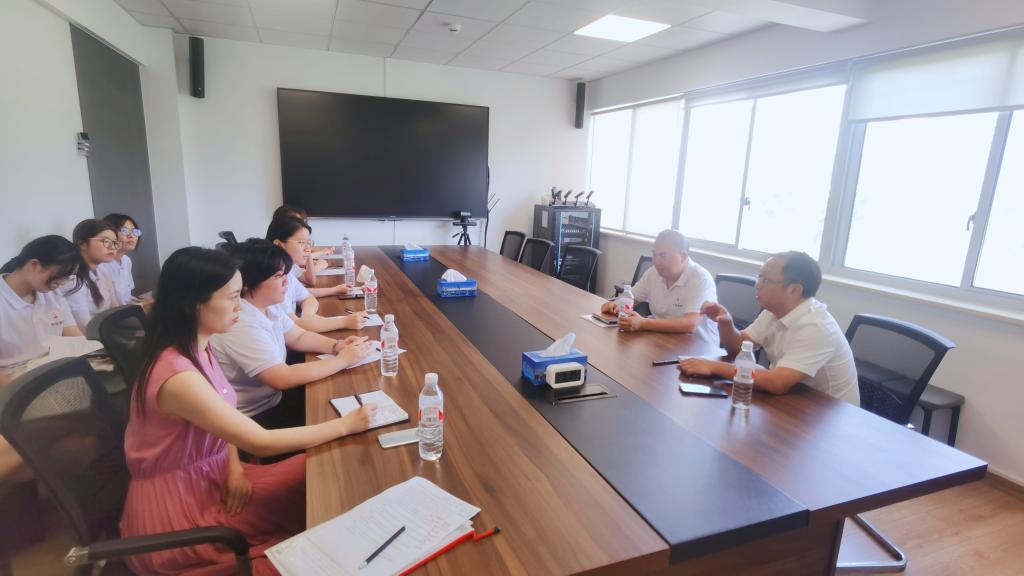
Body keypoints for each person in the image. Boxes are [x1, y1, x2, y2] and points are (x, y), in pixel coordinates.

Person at [120, 246, 377, 576]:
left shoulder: (198, 346)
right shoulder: (178, 375)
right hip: (180, 511)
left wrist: (233, 468)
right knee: (305, 555)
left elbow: (222, 419)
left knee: (319, 473)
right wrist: (345, 425)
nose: (239, 305)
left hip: (215, 476)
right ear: (194, 304)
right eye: (231, 297)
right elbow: (259, 442)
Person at [211, 239, 375, 429]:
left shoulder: (267, 305)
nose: (286, 281)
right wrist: (342, 361)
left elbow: (298, 336)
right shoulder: (240, 323)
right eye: (278, 276)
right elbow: (282, 378)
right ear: (248, 284)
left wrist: (337, 346)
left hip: (274, 398)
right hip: (256, 417)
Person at [679, 251, 859, 405]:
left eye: (765, 279)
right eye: (759, 277)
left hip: (828, 415)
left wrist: (713, 367)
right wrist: (726, 323)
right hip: (795, 400)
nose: (757, 284)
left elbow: (777, 382)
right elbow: (740, 348)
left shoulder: (816, 327)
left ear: (794, 290)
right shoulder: (773, 311)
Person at [600, 230, 719, 343]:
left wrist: (643, 323)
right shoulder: (653, 273)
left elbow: (690, 324)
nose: (657, 262)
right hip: (662, 340)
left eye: (663, 256)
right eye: (654, 255)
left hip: (698, 349)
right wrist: (615, 305)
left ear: (682, 256)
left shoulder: (700, 279)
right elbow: (631, 298)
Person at [266, 217, 367, 333]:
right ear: (279, 244)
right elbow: (296, 326)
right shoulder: (270, 280)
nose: (308, 249)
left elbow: (308, 298)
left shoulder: (286, 271)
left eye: (308, 243)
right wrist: (344, 321)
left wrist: (307, 316)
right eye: (301, 243)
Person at [0, 235, 83, 375]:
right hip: (17, 378)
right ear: (33, 265)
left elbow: (71, 332)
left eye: (68, 277)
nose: (62, 283)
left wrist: (93, 353)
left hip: (54, 367)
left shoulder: (51, 292)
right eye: (61, 275)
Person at [61, 219, 121, 330]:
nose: (112, 247)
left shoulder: (103, 270)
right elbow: (85, 327)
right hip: (90, 336)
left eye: (115, 243)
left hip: (109, 330)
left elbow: (115, 309)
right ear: (82, 244)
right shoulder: (72, 279)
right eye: (106, 241)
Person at [100, 213, 142, 304]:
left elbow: (127, 297)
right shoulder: (101, 265)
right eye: (125, 231)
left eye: (134, 231)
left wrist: (142, 303)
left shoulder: (126, 261)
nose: (131, 236)